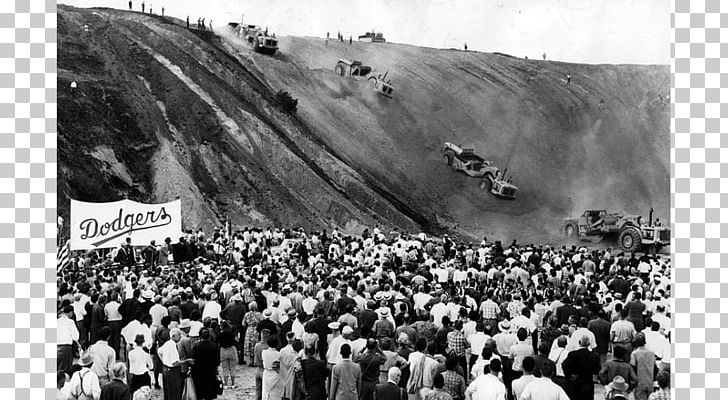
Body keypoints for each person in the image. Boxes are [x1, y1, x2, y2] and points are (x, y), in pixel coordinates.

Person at [158, 328, 193, 400]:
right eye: (179, 335)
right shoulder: (172, 345)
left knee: (168, 393)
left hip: (166, 369)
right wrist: (187, 361)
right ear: (173, 336)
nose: (180, 336)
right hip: (172, 372)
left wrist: (164, 361)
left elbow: (159, 351)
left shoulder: (167, 343)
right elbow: (175, 363)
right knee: (174, 393)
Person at [561, 336, 600, 400]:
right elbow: (597, 369)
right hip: (588, 382)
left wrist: (569, 376)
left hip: (575, 383)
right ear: (589, 344)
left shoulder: (573, 354)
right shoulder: (594, 356)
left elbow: (564, 365)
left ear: (579, 342)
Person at [192, 328, 220, 400]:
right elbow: (217, 360)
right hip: (211, 370)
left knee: (199, 390)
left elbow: (193, 358)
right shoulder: (213, 345)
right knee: (209, 391)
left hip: (199, 371)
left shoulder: (196, 346)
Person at [630, 333, 656, 400]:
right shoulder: (652, 353)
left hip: (640, 383)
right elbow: (655, 369)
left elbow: (632, 369)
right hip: (650, 382)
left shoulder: (634, 353)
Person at [58, 305, 79, 375]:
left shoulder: (57, 321)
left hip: (57, 346)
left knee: (58, 367)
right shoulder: (70, 322)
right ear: (70, 312)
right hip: (66, 347)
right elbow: (75, 336)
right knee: (65, 369)